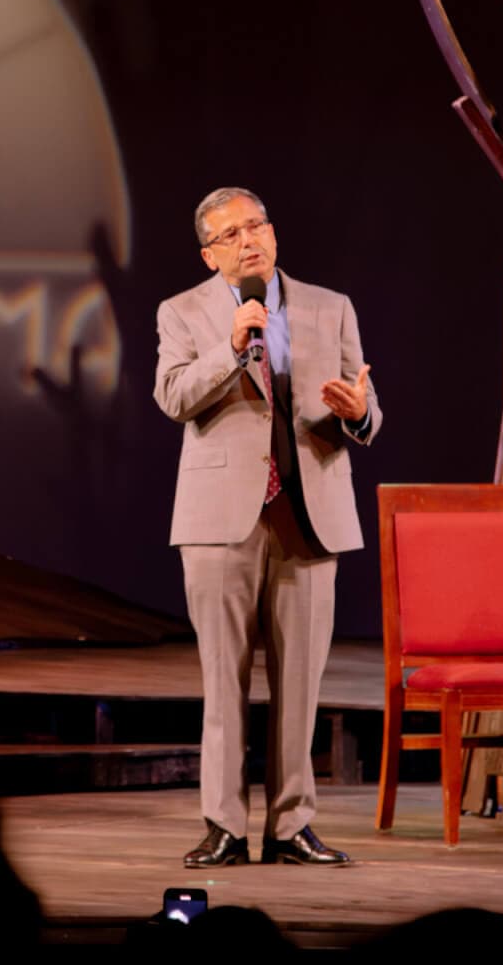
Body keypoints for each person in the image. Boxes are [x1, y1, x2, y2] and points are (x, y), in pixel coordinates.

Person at [154, 188, 380, 869]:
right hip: (220, 518)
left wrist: (359, 412)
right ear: (209, 254)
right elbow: (173, 397)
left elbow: (364, 407)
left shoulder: (330, 306)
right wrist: (230, 348)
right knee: (223, 680)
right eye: (231, 234)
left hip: (307, 515)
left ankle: (292, 826)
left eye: (256, 226)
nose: (248, 240)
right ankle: (223, 825)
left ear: (274, 233)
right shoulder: (182, 311)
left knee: (301, 683)